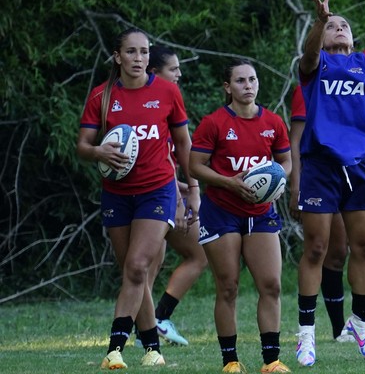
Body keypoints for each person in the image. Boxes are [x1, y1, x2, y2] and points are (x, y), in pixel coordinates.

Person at [294, 0, 365, 367]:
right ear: (322, 38)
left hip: (359, 166)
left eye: (343, 25)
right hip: (321, 166)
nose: (338, 27)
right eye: (332, 25)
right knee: (318, 250)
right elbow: (306, 58)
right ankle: (306, 335)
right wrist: (317, 21)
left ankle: (361, 323)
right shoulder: (316, 65)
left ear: (354, 39)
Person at [77, 28, 200, 369]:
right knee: (131, 273)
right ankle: (151, 348)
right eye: (130, 52)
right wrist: (98, 150)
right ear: (118, 57)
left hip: (157, 190)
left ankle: (114, 348)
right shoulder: (102, 97)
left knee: (137, 265)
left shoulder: (166, 91)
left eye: (144, 52)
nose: (138, 59)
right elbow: (83, 146)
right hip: (116, 193)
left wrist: (193, 189)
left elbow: (185, 144)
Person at [189, 60, 292, 373]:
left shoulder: (273, 123)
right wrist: (230, 182)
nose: (248, 86)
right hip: (222, 212)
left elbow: (285, 163)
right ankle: (230, 361)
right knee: (229, 287)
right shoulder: (214, 123)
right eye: (240, 81)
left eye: (252, 80)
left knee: (271, 285)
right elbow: (195, 166)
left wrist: (277, 183)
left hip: (260, 214)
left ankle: (271, 361)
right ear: (227, 87)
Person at [289, 85, 365, 343]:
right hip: (328, 178)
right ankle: (339, 331)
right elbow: (297, 138)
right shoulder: (311, 85)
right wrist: (297, 186)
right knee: (334, 254)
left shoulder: (361, 79)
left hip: (362, 177)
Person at [141, 45, 208, 346]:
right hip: (155, 199)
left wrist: (183, 186)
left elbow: (172, 157)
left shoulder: (167, 102)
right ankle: (151, 325)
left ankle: (153, 324)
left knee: (152, 267)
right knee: (151, 266)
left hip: (166, 192)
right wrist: (182, 198)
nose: (180, 74)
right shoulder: (147, 104)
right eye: (173, 69)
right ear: (154, 73)